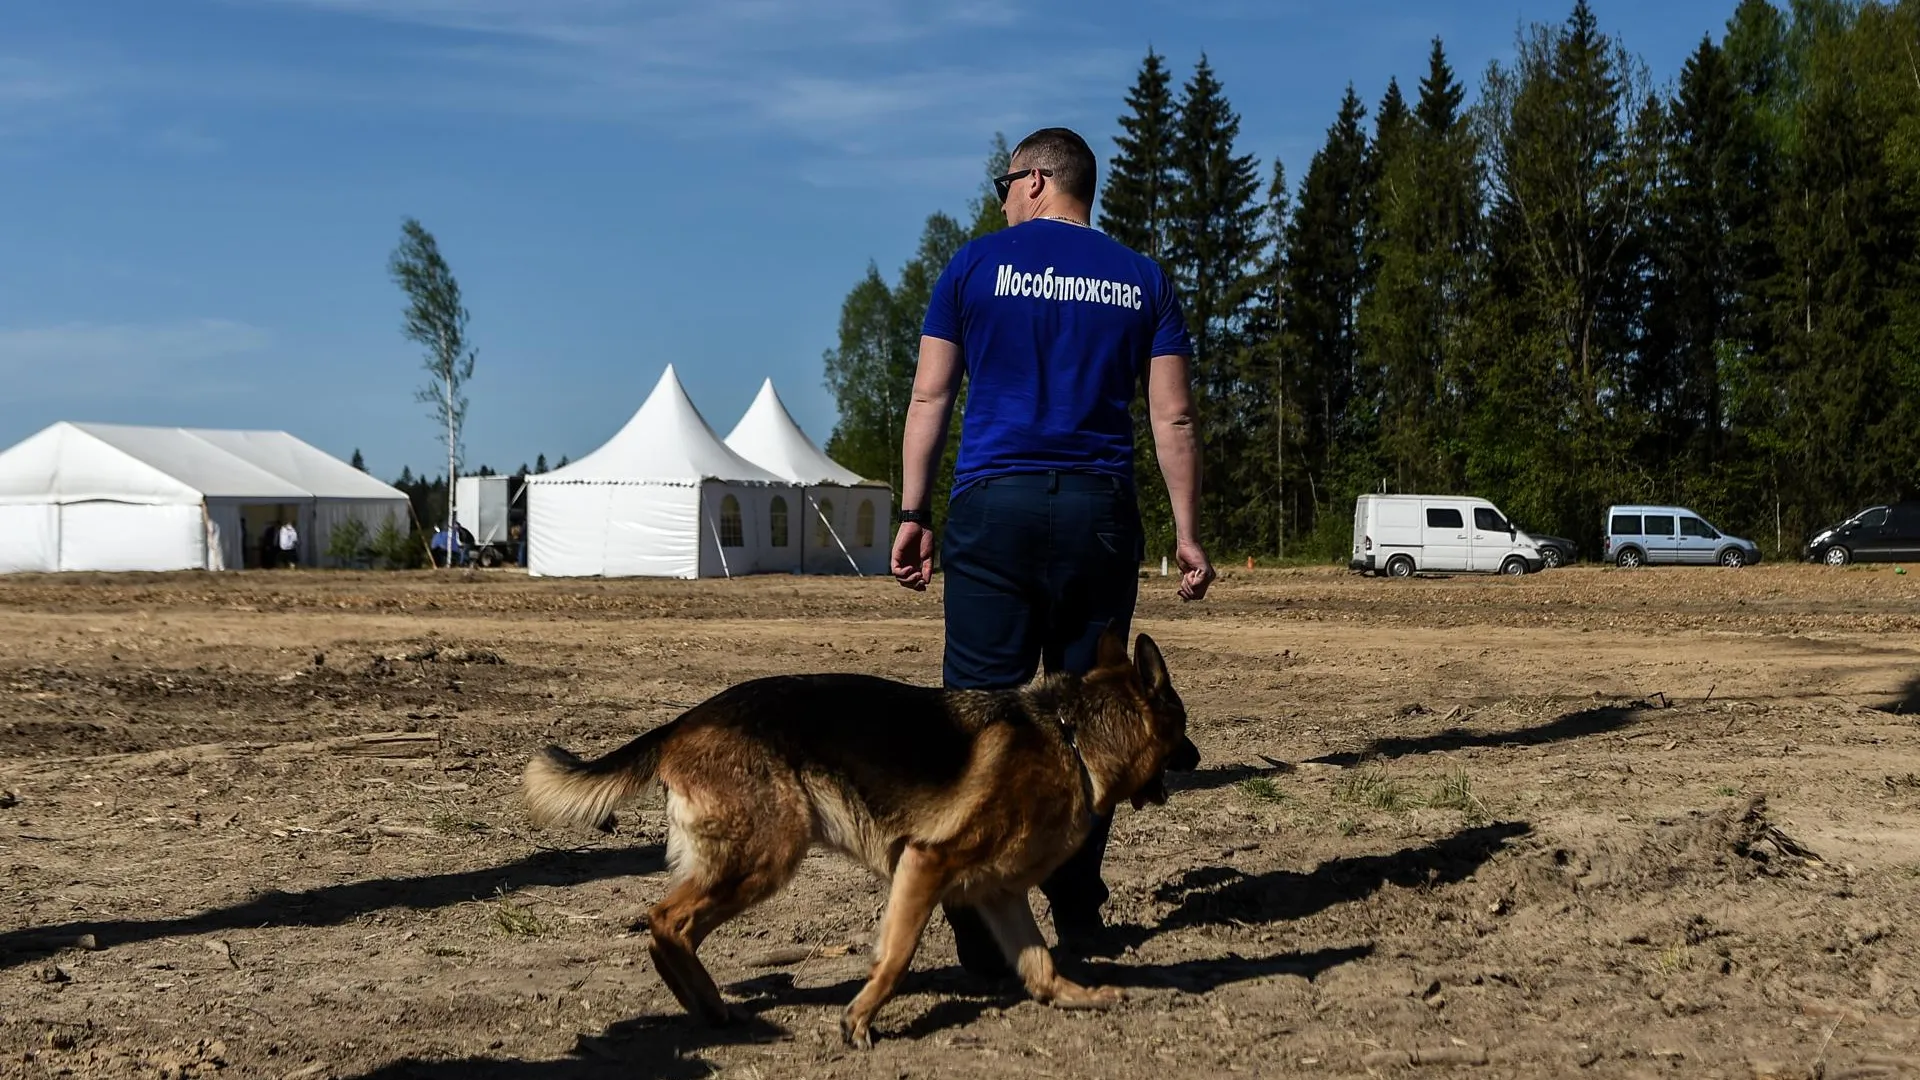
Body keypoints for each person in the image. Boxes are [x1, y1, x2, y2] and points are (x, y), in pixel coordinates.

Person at [890, 127, 1215, 975]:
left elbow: (931, 394)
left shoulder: (972, 267)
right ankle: (1078, 911)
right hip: (1097, 516)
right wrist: (1186, 533)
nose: (1000, 198)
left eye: (1006, 181)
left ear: (1037, 181)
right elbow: (1172, 417)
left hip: (993, 508)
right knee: (1093, 714)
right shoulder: (1143, 278)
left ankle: (974, 924)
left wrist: (913, 509)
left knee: (978, 716)